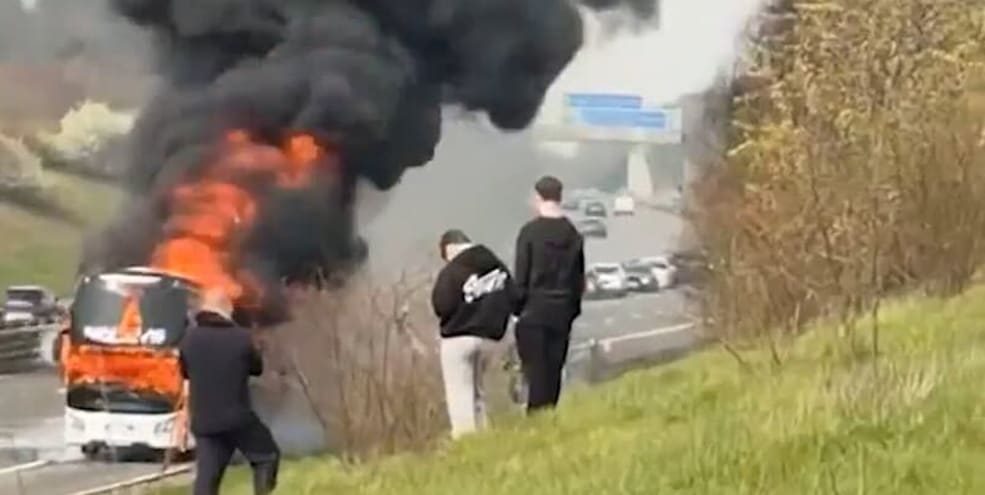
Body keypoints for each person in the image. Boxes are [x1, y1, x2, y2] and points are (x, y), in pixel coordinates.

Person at [179, 290, 280, 495]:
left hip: (204, 423)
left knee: (207, 479)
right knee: (266, 456)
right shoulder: (241, 338)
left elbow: (186, 375)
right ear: (227, 312)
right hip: (238, 420)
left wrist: (184, 417)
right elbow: (257, 368)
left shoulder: (189, 339)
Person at [431, 229, 514, 438]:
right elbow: (514, 295)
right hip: (489, 338)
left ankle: (464, 438)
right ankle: (482, 435)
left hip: (459, 338)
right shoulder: (496, 265)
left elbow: (441, 304)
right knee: (478, 392)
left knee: (459, 392)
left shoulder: (453, 271)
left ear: (448, 249)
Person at [512, 175, 585, 412]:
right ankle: (549, 414)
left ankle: (536, 417)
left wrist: (517, 308)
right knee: (554, 368)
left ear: (538, 197)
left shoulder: (529, 233)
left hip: (535, 310)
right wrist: (572, 309)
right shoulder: (572, 234)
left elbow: (521, 277)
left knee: (535, 372)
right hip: (562, 309)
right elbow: (578, 278)